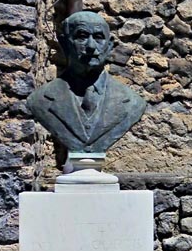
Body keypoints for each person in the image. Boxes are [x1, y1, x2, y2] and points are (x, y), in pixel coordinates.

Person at [26, 11, 146, 156]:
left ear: (109, 46)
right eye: (82, 37)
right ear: (64, 43)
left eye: (98, 37)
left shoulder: (132, 102)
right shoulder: (40, 100)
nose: (90, 46)